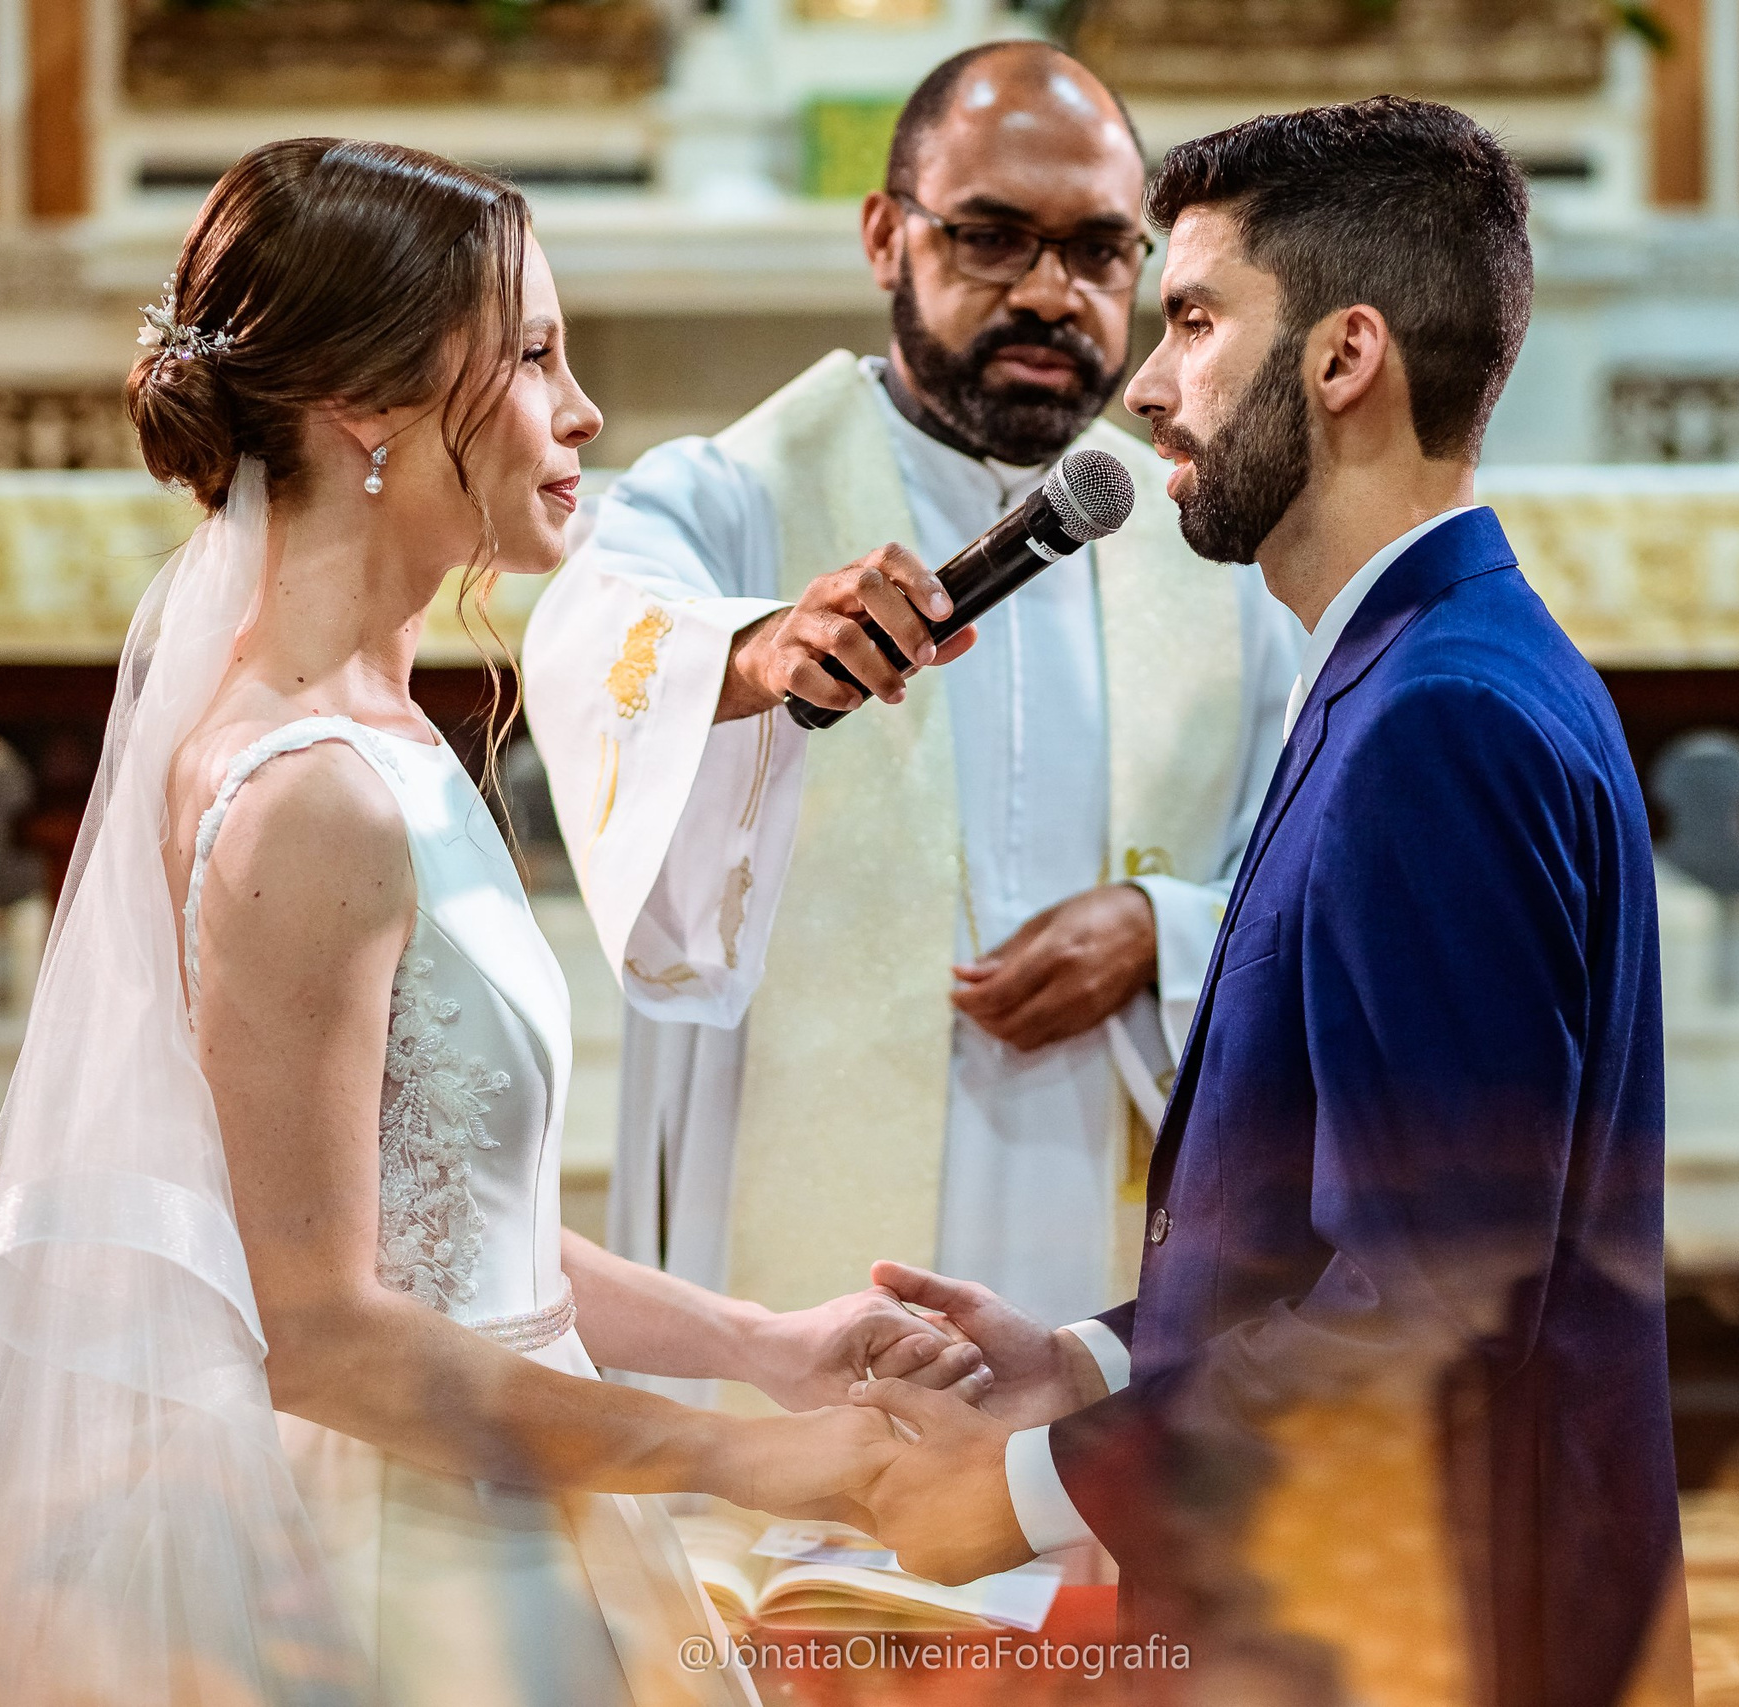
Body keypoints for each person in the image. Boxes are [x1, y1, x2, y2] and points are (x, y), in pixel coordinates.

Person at [0, 139, 988, 1707]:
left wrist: (761, 1339)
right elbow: (328, 1334)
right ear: (364, 409)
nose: (581, 411)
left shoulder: (385, 729)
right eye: (533, 357)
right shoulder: (313, 799)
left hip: (493, 1475)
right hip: (392, 1565)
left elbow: (442, 1220)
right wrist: (760, 1464)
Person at [848, 99, 1689, 1706]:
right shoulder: (1424, 663)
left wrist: (1031, 1488)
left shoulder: (1441, 719)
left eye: (1191, 318)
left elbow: (1429, 1305)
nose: (1148, 383)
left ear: (1343, 355)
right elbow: (1361, 1219)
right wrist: (1087, 1358)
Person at [521, 41, 1300, 1355]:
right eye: (995, 238)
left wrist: (1165, 934)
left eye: (1104, 252)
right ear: (887, 236)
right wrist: (761, 647)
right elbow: (591, 633)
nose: (1055, 294)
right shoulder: (734, 495)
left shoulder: (1208, 550)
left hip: (1092, 1188)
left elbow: (1315, 857)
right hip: (796, 1219)